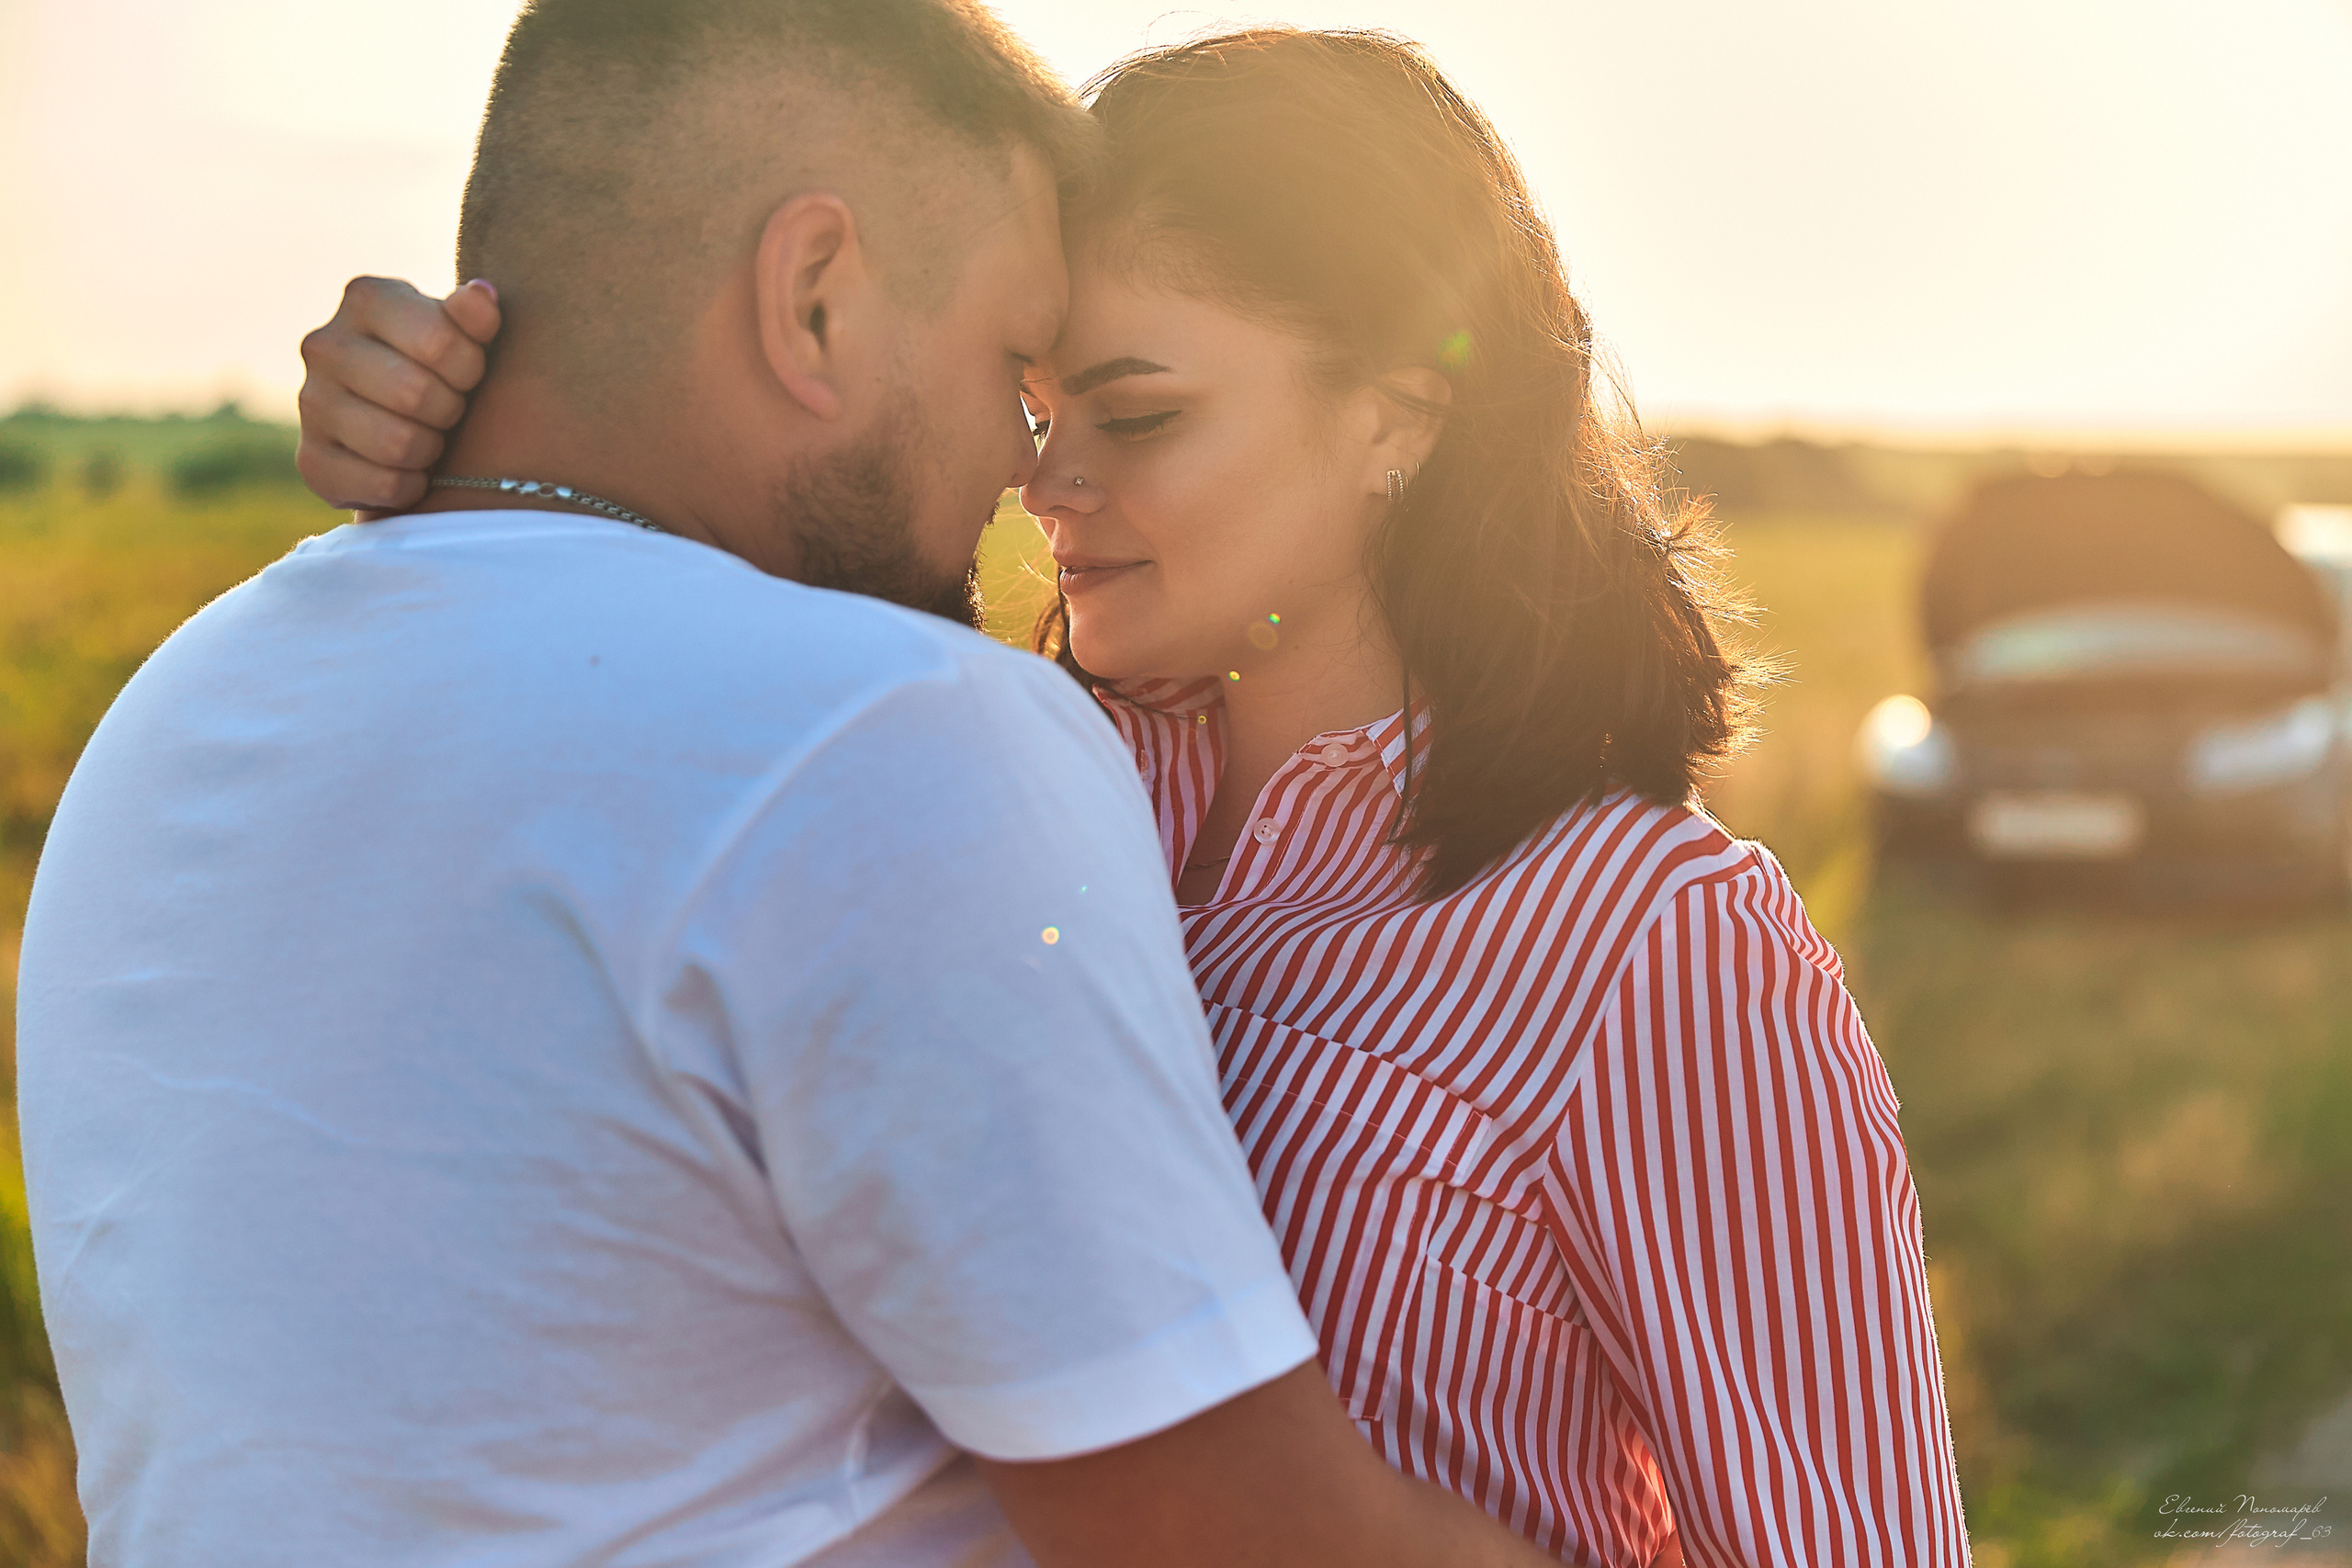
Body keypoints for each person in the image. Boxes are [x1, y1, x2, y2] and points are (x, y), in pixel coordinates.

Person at [303, 22, 1971, 1568]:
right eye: (1036, 404)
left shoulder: (1651, 947)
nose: (1046, 482)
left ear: (1396, 418)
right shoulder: (991, 790)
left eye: (1140, 413)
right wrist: (456, 437)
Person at [15, 6, 1579, 1568]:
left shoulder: (179, 717)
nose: (1017, 477)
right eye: (1003, 373)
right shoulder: (895, 734)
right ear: (813, 297)